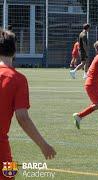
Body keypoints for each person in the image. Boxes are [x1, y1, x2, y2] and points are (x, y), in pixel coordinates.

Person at [0, 29, 56, 179]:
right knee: (9, 172)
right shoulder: (17, 79)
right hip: (1, 145)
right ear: (15, 50)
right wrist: (43, 145)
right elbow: (22, 117)